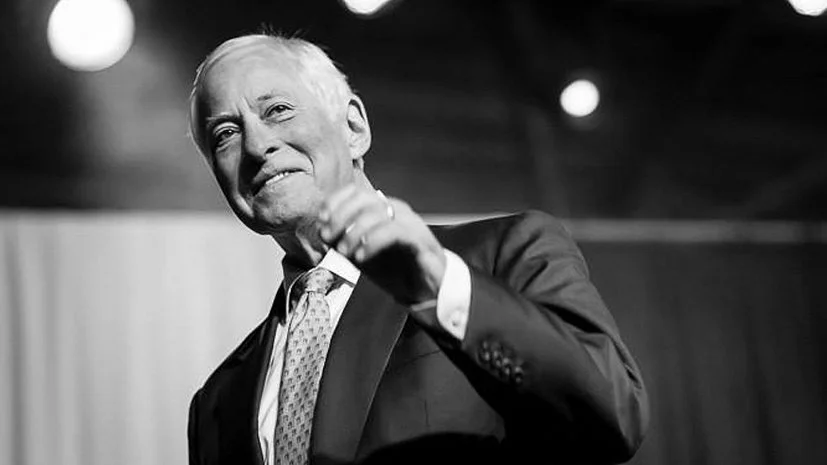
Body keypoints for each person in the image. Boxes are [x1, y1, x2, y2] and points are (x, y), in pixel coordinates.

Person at [186, 33, 649, 465]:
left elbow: (613, 413)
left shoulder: (500, 256)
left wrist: (439, 288)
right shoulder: (218, 402)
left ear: (353, 127)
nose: (257, 145)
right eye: (225, 134)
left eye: (278, 110)